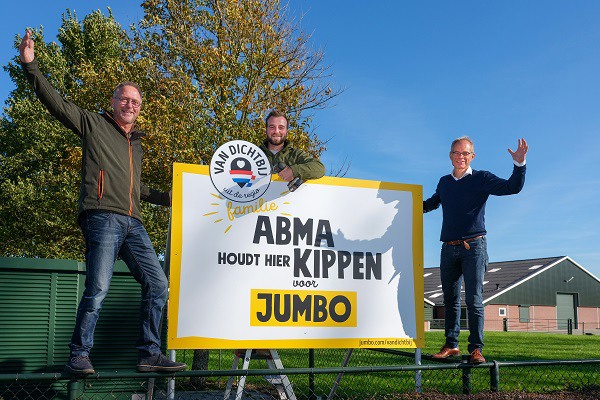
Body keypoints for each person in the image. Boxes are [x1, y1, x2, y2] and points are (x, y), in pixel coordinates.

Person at [19, 30, 186, 374]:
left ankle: (149, 354)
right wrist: (30, 65)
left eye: (136, 102)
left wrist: (167, 198)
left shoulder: (136, 144)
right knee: (97, 288)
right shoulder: (93, 124)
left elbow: (136, 188)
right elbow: (56, 103)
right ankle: (79, 354)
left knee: (158, 284)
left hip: (134, 223)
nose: (130, 105)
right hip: (102, 218)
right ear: (113, 102)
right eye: (125, 99)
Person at [423, 136, 528, 364]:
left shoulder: (482, 178)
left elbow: (512, 187)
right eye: (457, 153)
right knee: (450, 300)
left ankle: (476, 350)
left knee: (474, 299)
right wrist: (406, 203)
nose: (460, 157)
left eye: (465, 153)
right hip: (448, 248)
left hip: (474, 248)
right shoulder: (444, 182)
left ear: (472, 156)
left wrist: (519, 164)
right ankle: (451, 345)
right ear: (450, 155)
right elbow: (432, 203)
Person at [260, 109, 326, 184]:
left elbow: (319, 168)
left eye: (281, 127)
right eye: (272, 127)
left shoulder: (295, 155)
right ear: (266, 129)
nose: (276, 131)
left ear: (287, 131)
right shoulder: (252, 153)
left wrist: (293, 171)